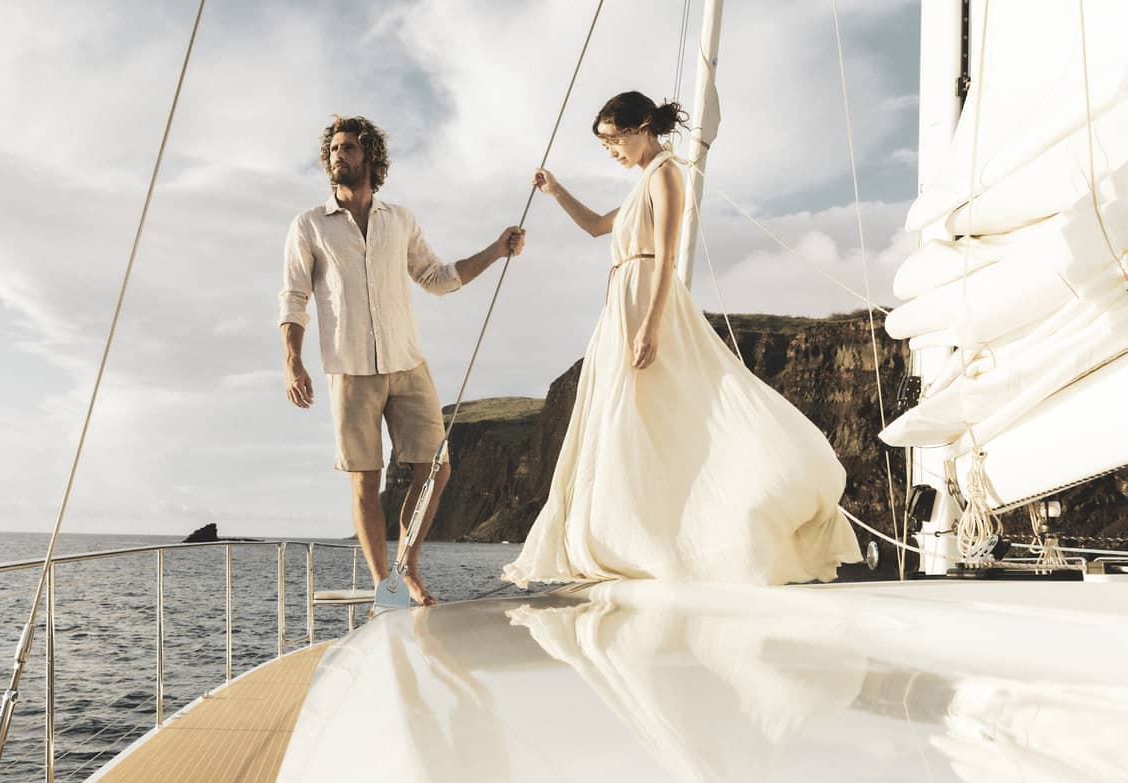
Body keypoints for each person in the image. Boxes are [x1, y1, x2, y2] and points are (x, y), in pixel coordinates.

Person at [503, 92, 860, 587]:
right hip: (621, 306)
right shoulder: (640, 185)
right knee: (630, 422)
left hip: (647, 304)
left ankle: (696, 531)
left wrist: (650, 325)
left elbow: (667, 256)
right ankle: (636, 535)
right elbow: (593, 228)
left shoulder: (667, 174)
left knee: (661, 415)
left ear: (641, 125)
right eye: (604, 144)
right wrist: (556, 191)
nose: (610, 151)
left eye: (613, 140)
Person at [280, 115, 525, 606]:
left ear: (370, 156)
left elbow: (436, 277)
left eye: (348, 148)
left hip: (408, 363)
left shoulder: (401, 219)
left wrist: (497, 251)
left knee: (435, 469)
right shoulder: (309, 225)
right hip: (349, 370)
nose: (338, 156)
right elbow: (293, 297)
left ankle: (407, 566)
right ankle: (384, 585)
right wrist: (292, 361)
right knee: (365, 480)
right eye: (334, 149)